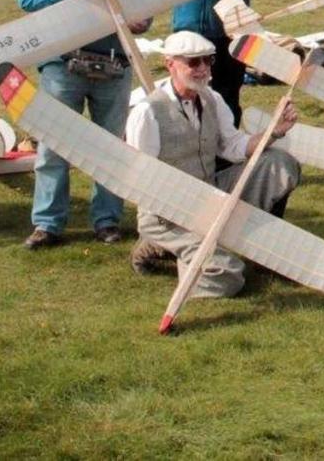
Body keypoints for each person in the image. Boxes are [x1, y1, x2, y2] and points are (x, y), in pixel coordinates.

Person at [18, 0, 150, 249]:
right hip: (62, 65)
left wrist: (141, 22)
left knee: (111, 147)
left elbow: (145, 11)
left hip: (114, 65)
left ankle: (107, 220)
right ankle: (48, 224)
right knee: (54, 146)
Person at [125, 31, 301, 296]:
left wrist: (274, 131)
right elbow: (140, 178)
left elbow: (233, 147)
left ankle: (258, 248)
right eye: (193, 63)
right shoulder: (147, 112)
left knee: (280, 163)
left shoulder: (212, 99)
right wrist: (179, 215)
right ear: (170, 64)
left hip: (208, 195)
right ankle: (156, 246)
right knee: (229, 277)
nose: (203, 69)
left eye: (208, 61)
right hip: (167, 213)